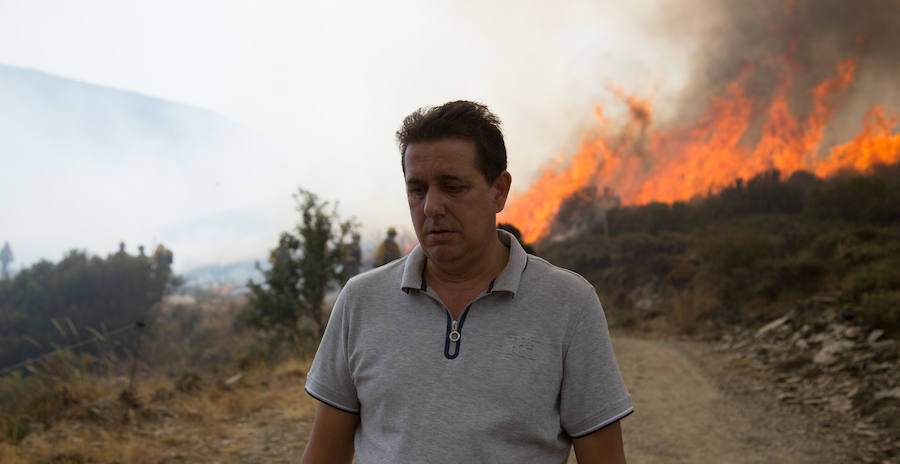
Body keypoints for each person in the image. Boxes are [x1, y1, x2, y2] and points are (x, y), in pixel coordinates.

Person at [302, 101, 632, 463]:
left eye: (453, 187)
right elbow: (325, 453)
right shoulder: (361, 301)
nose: (431, 207)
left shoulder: (568, 303)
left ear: (499, 190)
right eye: (417, 190)